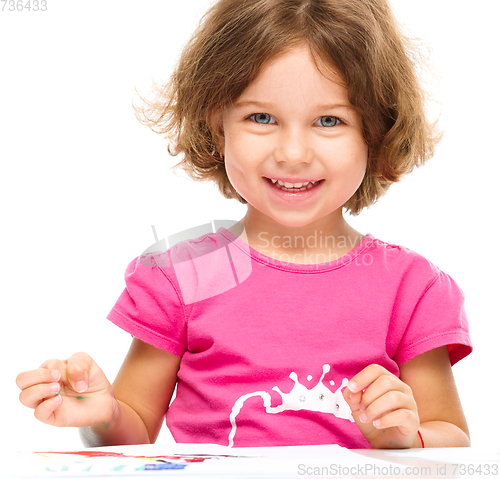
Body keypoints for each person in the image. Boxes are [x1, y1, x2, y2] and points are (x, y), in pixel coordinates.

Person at [16, 0, 472, 450]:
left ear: (376, 132)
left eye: (329, 120)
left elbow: (450, 436)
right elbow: (132, 432)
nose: (293, 153)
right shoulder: (184, 275)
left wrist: (404, 437)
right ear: (217, 126)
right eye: (262, 117)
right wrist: (103, 415)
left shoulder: (411, 289)